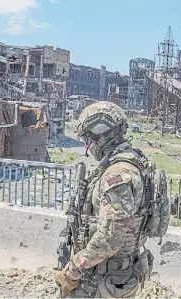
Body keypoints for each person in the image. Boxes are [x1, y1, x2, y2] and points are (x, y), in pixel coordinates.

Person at [55, 101, 161, 298]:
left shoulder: (118, 174)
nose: (88, 147)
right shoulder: (135, 162)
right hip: (118, 276)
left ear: (99, 135)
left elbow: (110, 238)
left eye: (88, 140)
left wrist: (74, 268)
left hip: (100, 279)